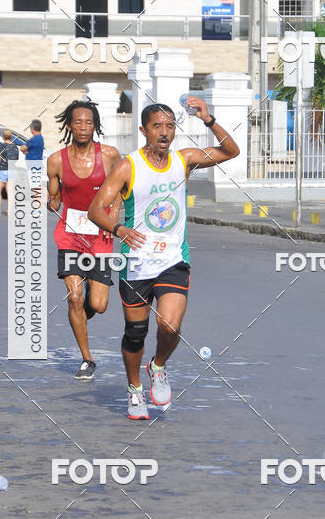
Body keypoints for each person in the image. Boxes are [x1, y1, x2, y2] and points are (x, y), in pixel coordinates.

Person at [88, 97, 239, 421]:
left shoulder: (184, 160)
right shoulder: (128, 166)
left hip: (173, 258)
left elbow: (230, 151)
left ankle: (158, 366)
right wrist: (119, 229)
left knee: (169, 325)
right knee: (136, 332)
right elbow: (96, 209)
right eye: (158, 126)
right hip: (137, 262)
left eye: (170, 126)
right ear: (144, 130)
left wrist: (208, 119)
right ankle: (134, 389)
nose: (165, 132)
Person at [47, 100, 121, 380]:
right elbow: (54, 202)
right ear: (69, 125)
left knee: (99, 305)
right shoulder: (56, 160)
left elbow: (122, 188)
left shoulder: (110, 155)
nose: (83, 127)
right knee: (73, 297)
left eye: (88, 122)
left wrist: (112, 216)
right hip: (70, 235)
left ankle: (84, 305)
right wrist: (45, 200)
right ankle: (87, 359)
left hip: (100, 235)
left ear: (95, 126)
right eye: (77, 122)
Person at [0, 128, 19, 216]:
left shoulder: (2, 146)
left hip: (3, 170)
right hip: (12, 170)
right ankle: (9, 211)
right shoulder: (15, 146)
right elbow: (16, 159)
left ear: (3, 136)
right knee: (10, 192)